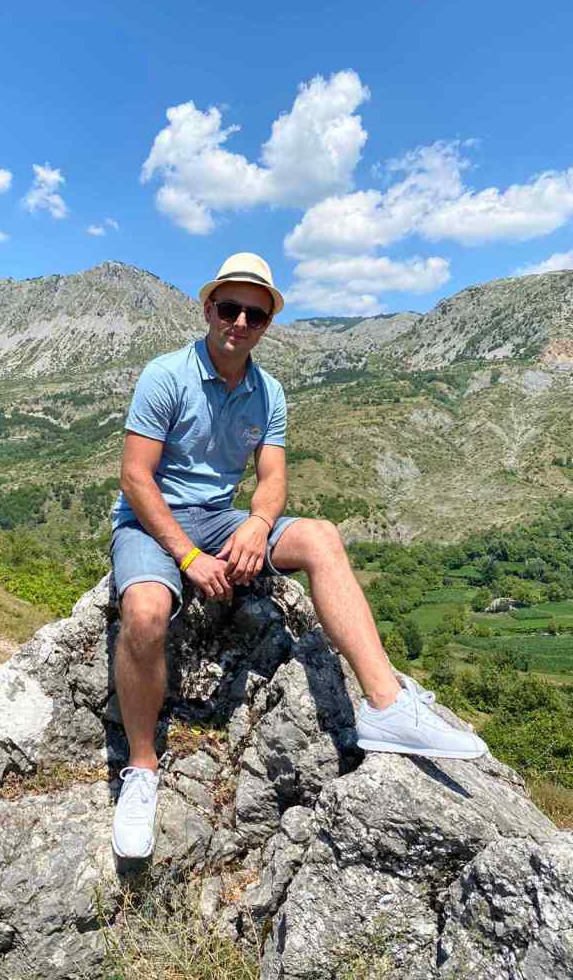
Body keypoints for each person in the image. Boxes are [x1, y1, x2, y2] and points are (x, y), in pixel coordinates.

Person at [109, 252, 487, 859]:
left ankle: (385, 704)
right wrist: (188, 557)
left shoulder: (268, 393)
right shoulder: (166, 375)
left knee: (322, 537)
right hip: (153, 522)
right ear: (208, 310)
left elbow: (273, 478)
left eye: (254, 315)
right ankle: (143, 768)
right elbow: (135, 477)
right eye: (229, 308)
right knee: (147, 612)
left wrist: (258, 524)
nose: (239, 322)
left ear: (266, 325)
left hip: (221, 516)